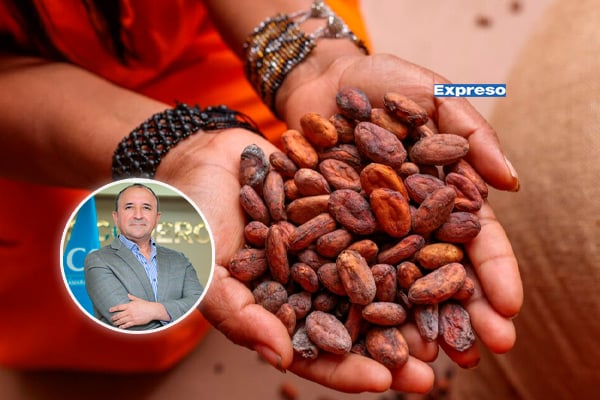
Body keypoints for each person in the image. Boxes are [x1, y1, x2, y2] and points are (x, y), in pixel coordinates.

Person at [0, 0, 521, 395]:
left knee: (212, 237)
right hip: (36, 126)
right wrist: (178, 151)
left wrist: (312, 63)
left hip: (224, 52)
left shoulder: (327, 181)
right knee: (111, 307)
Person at [84, 183, 204, 331]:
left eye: (146, 208)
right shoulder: (98, 260)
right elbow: (124, 320)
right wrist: (174, 314)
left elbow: (200, 306)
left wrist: (155, 311)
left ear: (157, 218)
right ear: (116, 217)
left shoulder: (180, 260)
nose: (138, 215)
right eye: (129, 207)